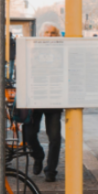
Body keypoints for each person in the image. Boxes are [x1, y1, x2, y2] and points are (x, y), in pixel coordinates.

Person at [25, 23, 64, 182]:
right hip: (35, 96)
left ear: (57, 35)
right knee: (29, 134)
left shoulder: (62, 50)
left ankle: (51, 170)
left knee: (54, 137)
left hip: (54, 97)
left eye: (53, 33)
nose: (49, 35)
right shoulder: (32, 49)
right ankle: (38, 155)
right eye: (47, 32)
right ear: (41, 34)